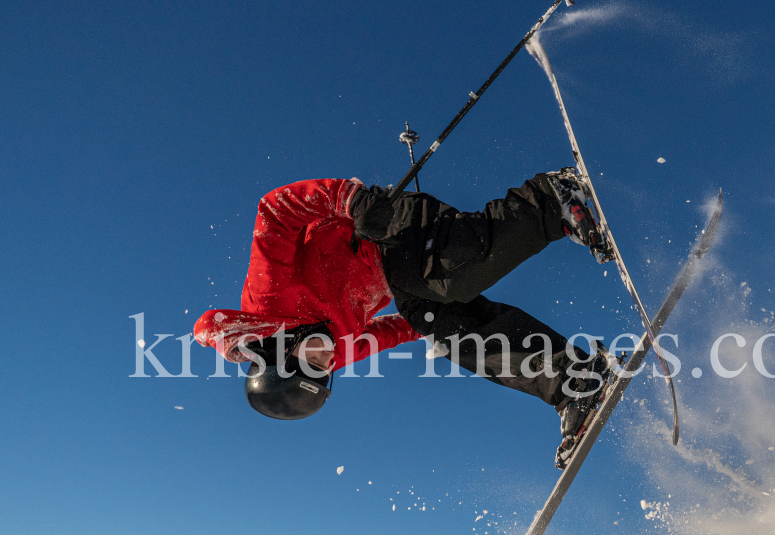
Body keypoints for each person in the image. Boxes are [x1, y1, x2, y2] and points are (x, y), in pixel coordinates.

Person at [194, 169, 615, 465]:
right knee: (451, 335)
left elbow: (274, 211)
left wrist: (349, 200)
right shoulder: (339, 351)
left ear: (281, 353)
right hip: (400, 278)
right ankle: (573, 382)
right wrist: (434, 327)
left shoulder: (269, 301)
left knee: (446, 278)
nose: (325, 356)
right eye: (324, 369)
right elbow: (392, 332)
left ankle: (551, 197)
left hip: (379, 226)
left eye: (310, 360)